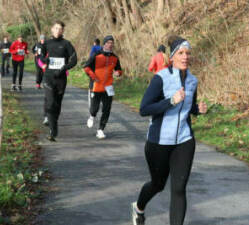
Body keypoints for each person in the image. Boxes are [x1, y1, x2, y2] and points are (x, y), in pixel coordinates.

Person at [131, 37, 207, 225]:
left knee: (179, 189)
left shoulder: (192, 81)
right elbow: (144, 109)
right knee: (158, 185)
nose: (185, 57)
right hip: (159, 142)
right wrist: (170, 101)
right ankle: (138, 208)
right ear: (172, 57)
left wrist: (198, 109)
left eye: (188, 53)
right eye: (181, 53)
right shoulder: (161, 78)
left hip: (184, 140)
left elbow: (188, 109)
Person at [40, 21, 77, 141]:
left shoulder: (66, 44)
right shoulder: (46, 43)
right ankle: (53, 130)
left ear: (63, 31)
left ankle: (53, 125)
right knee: (50, 102)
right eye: (56, 28)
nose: (58, 31)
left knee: (57, 104)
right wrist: (44, 62)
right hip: (48, 77)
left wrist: (64, 68)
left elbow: (74, 60)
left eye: (60, 29)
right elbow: (39, 56)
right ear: (52, 29)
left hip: (61, 79)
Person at [84, 35, 122, 139]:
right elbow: (86, 67)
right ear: (104, 44)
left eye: (112, 43)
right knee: (94, 109)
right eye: (108, 42)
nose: (110, 45)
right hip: (96, 86)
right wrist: (93, 76)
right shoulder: (96, 55)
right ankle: (92, 116)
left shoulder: (115, 57)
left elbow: (119, 70)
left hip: (108, 87)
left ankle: (100, 129)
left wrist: (118, 73)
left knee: (107, 109)